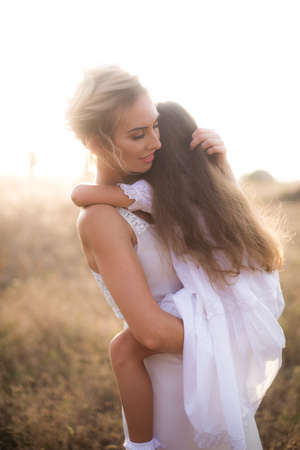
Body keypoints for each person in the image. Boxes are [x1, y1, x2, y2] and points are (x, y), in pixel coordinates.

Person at [66, 67, 285, 450]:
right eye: (138, 134)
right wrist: (233, 331)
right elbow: (151, 334)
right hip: (170, 392)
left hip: (214, 381)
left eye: (155, 126)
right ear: (94, 143)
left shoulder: (162, 191)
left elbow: (232, 250)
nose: (156, 142)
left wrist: (219, 169)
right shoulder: (103, 219)